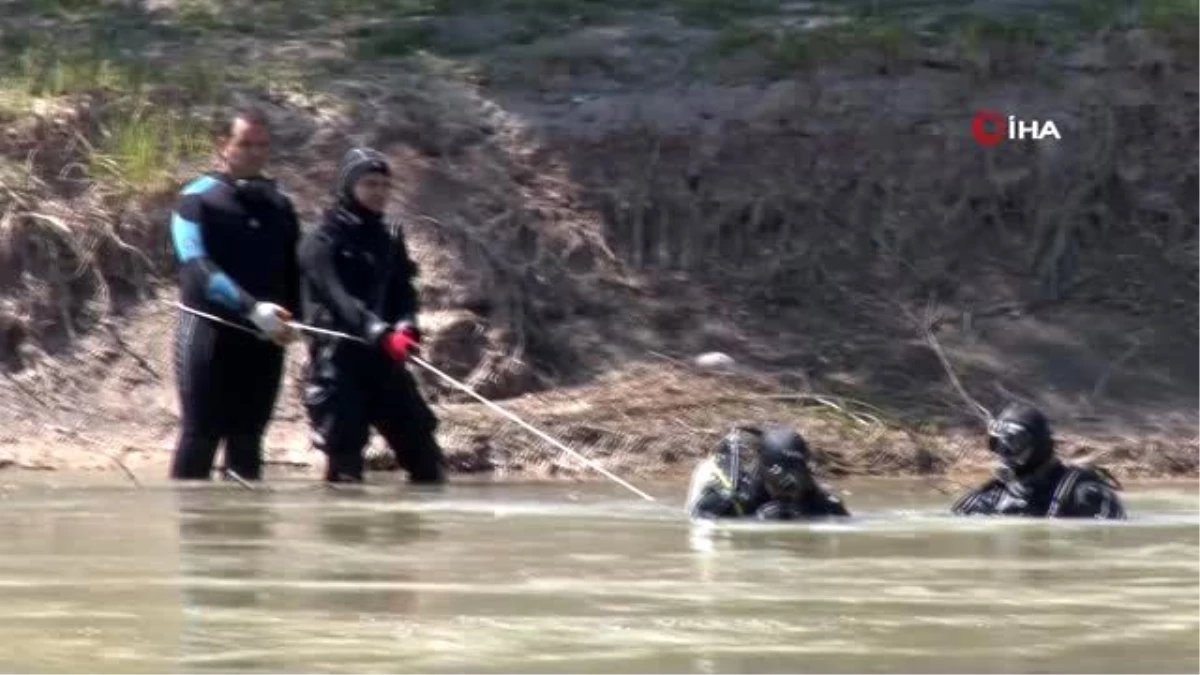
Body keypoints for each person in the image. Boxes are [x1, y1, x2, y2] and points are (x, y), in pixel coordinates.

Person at [297, 147, 447, 484]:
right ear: (349, 185)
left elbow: (403, 291)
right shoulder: (320, 240)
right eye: (369, 184)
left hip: (385, 363)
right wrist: (381, 332)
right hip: (338, 364)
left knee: (427, 460)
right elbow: (340, 300)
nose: (378, 192)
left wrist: (407, 325)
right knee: (346, 469)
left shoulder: (389, 237)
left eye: (384, 184)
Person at [168, 106, 301, 481]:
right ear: (223, 145)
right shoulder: (196, 198)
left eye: (262, 145)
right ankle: (192, 531)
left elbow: (292, 271)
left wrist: (296, 318)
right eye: (245, 144)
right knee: (202, 433)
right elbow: (195, 266)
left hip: (264, 336)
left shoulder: (280, 204)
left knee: (248, 438)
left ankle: (244, 535)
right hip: (209, 331)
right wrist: (250, 307)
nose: (255, 152)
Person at [950, 402, 1125, 519]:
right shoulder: (988, 499)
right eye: (998, 444)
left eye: (1013, 443)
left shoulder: (1084, 494)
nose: (1004, 453)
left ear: (1038, 446)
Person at [686, 425, 850, 520]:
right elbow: (699, 518)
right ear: (764, 473)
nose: (789, 490)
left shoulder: (820, 500)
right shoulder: (739, 497)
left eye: (797, 480)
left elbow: (845, 523)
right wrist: (756, 520)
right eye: (780, 481)